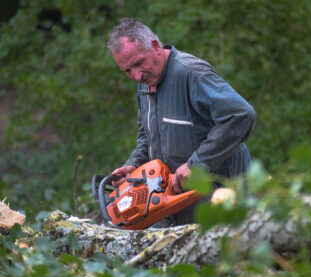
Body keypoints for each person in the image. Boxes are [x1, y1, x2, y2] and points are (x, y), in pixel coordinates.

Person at [107, 18, 255, 227]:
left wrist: (197, 164)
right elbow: (147, 135)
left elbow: (240, 115)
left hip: (223, 200)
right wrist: (134, 165)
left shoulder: (190, 73)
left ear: (155, 46)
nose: (136, 75)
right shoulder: (145, 84)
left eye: (139, 63)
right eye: (127, 71)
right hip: (177, 207)